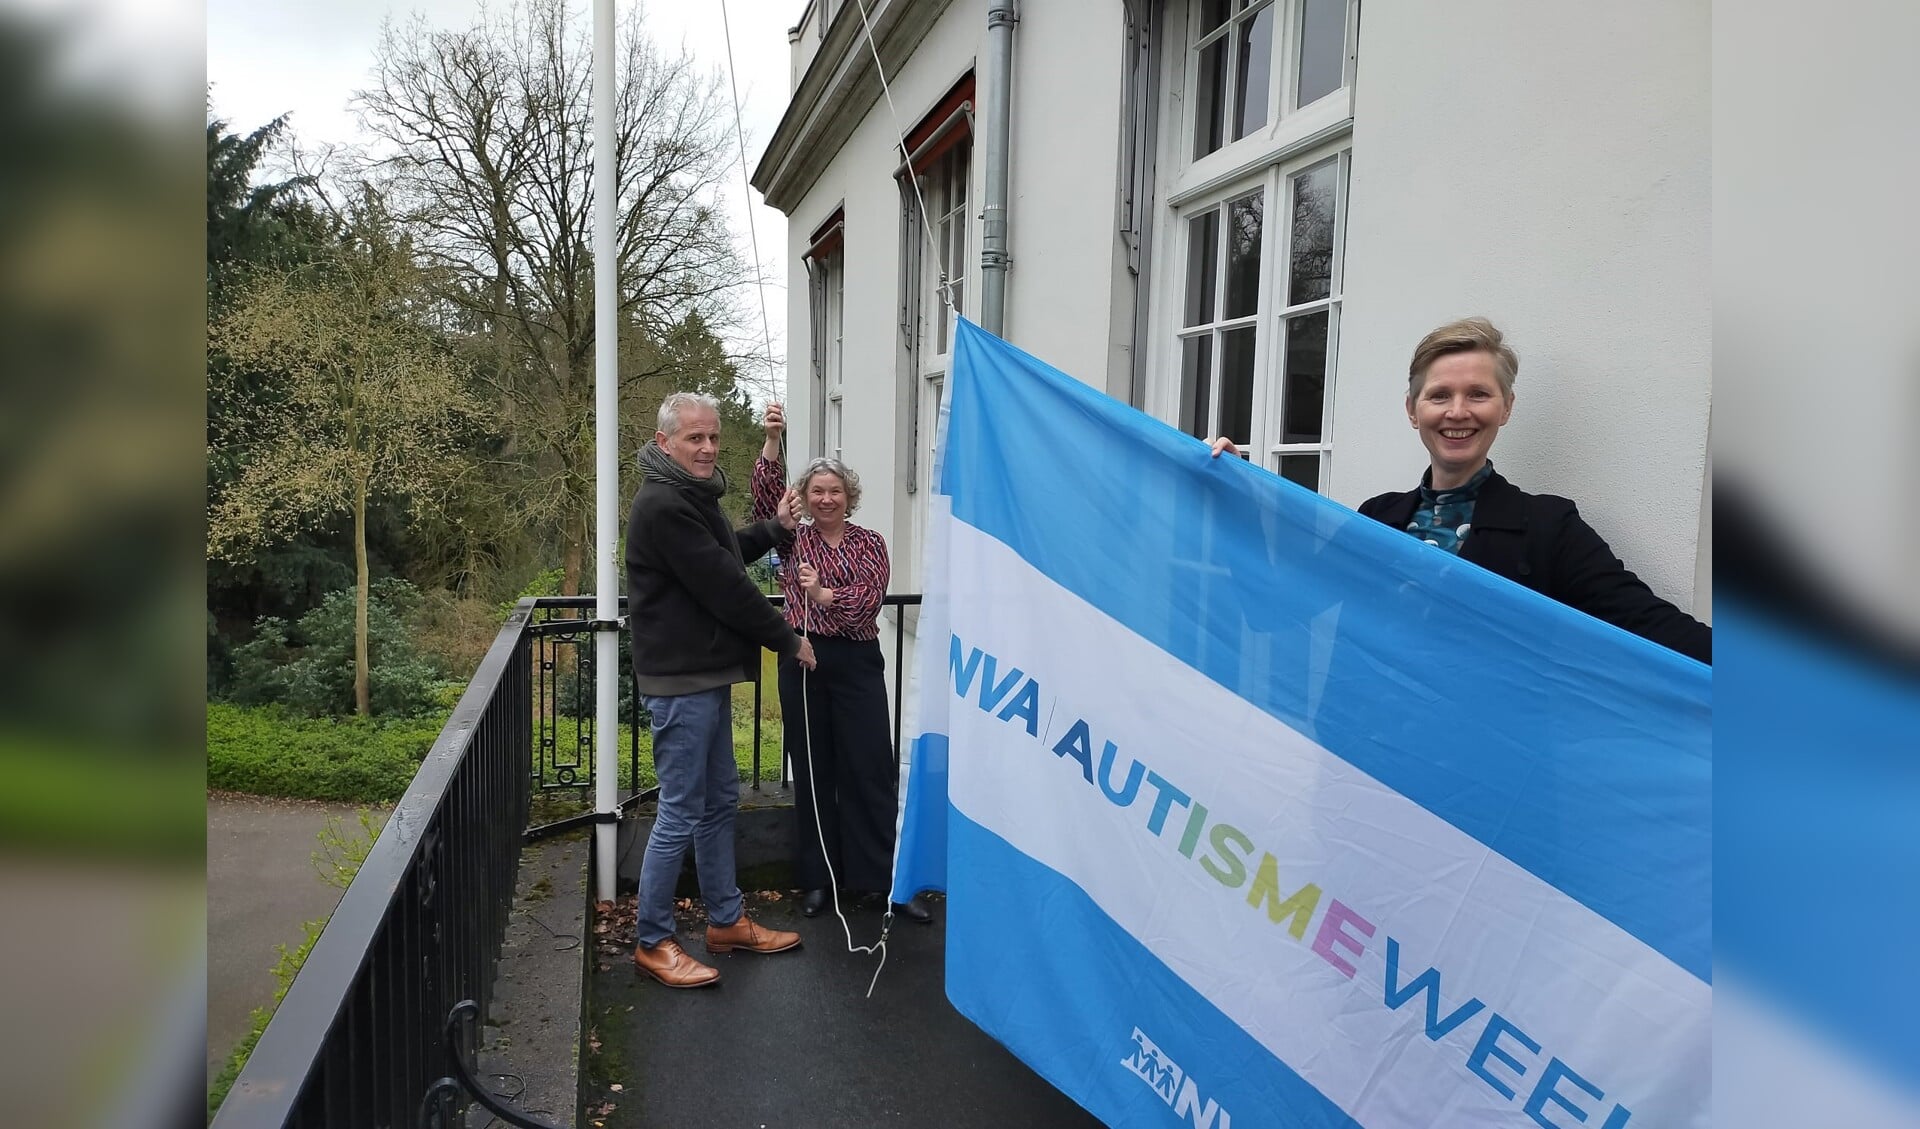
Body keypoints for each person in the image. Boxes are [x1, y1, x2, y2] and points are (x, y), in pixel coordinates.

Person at [1211, 317, 1711, 663]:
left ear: (1506, 408)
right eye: (1439, 396)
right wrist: (1233, 497)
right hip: (1361, 770)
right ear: (1413, 410)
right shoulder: (1375, 518)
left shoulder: (1548, 528)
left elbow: (1651, 626)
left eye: (1478, 394)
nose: (1457, 412)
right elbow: (1275, 611)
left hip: (1484, 793)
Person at [626, 391, 819, 989]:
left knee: (718, 802)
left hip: (702, 678)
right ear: (666, 443)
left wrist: (775, 527)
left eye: (712, 437)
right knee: (682, 809)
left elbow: (725, 553)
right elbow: (726, 586)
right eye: (695, 438)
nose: (708, 447)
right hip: (682, 684)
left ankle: (726, 920)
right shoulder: (663, 505)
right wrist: (788, 639)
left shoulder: (688, 497)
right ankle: (653, 940)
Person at [752, 404, 932, 924]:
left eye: (835, 491)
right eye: (816, 491)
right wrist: (771, 438)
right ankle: (819, 880)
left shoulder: (870, 543)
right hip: (803, 659)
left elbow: (866, 604)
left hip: (855, 661)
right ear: (805, 499)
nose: (825, 498)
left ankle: (885, 884)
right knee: (813, 771)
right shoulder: (793, 538)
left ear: (848, 497)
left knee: (871, 769)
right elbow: (766, 498)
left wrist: (823, 594)